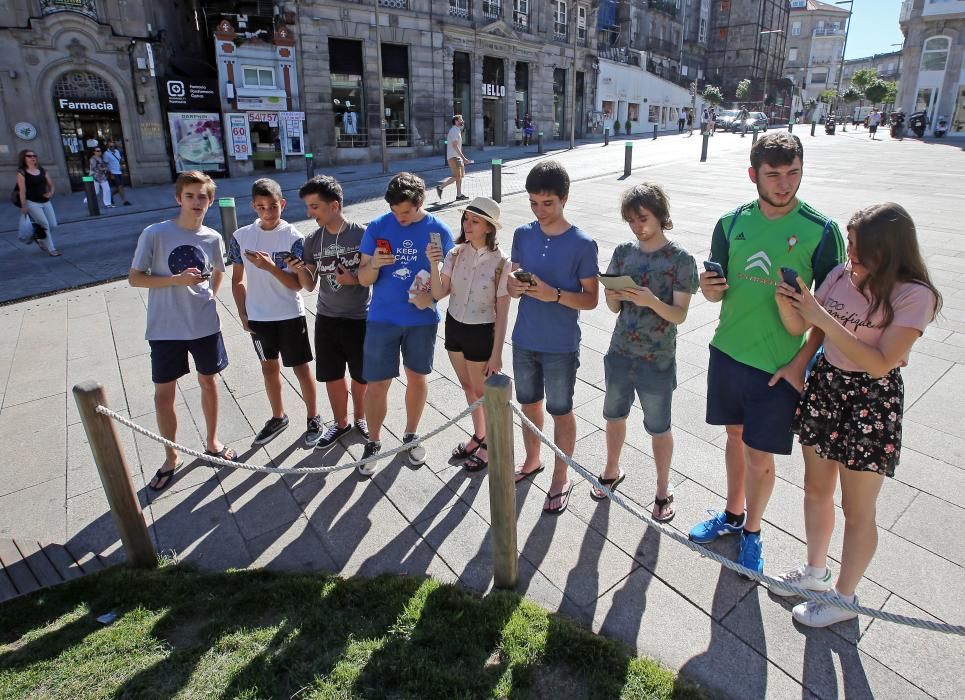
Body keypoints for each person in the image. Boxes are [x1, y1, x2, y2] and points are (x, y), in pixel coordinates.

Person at [768, 203, 940, 627]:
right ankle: (815, 573)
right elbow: (812, 329)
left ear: (890, 252)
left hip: (871, 399)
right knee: (814, 489)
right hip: (827, 383)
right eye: (850, 245)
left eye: (861, 250)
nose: (852, 257)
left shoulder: (915, 294)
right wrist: (794, 314)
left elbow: (882, 362)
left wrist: (818, 314)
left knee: (858, 509)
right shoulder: (842, 273)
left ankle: (845, 600)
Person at [689, 132, 845, 575]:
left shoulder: (822, 230)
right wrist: (707, 289)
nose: (784, 184)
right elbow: (717, 294)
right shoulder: (730, 222)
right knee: (734, 439)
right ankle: (733, 515)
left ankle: (753, 532)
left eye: (793, 173)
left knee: (761, 455)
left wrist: (800, 363)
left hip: (778, 368)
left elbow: (832, 313)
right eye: (773, 175)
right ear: (753, 174)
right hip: (728, 354)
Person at [128, 171, 236, 491]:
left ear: (211, 200)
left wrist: (211, 295)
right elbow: (136, 278)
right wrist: (175, 281)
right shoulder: (156, 234)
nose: (196, 202)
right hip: (165, 327)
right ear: (178, 198)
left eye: (202, 196)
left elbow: (219, 270)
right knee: (164, 393)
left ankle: (213, 442)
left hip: (203, 324)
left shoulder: (213, 238)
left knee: (209, 382)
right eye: (189, 196)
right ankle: (170, 456)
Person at [595, 184, 698, 521]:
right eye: (631, 220)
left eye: (643, 218)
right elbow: (612, 307)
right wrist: (614, 295)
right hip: (620, 351)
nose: (637, 226)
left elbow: (679, 315)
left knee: (659, 427)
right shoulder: (624, 252)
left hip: (657, 359)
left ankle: (663, 488)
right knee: (614, 417)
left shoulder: (681, 259)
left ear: (660, 216)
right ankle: (612, 469)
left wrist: (651, 300)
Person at [507, 161, 599, 514]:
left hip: (561, 344)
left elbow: (590, 300)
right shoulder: (522, 234)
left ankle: (562, 475)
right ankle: (532, 460)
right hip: (524, 338)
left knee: (561, 410)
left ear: (565, 199)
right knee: (529, 407)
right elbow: (513, 284)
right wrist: (514, 286)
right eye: (533, 203)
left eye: (547, 203)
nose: (540, 211)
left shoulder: (583, 244)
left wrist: (555, 295)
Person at [357, 172, 455, 475]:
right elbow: (362, 278)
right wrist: (374, 263)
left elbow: (446, 284)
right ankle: (373, 441)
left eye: (407, 212)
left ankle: (411, 435)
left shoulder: (438, 230)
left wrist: (434, 293)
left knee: (417, 377)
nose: (400, 218)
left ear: (420, 202)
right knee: (377, 384)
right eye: (395, 212)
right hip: (382, 318)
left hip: (420, 319)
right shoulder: (377, 226)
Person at [228, 178, 321, 447]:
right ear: (253, 207)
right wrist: (243, 313)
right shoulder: (241, 236)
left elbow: (298, 286)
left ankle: (314, 416)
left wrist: (271, 267)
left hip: (289, 314)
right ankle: (278, 416)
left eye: (272, 206)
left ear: (282, 204)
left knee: (301, 369)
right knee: (268, 368)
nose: (267, 212)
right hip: (258, 317)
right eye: (260, 207)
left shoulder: (294, 238)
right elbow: (237, 280)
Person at [425, 197, 511, 472]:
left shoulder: (501, 262)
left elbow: (503, 310)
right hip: (454, 325)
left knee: (481, 390)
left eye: (475, 221)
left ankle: (489, 445)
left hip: (481, 330)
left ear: (489, 227)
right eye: (466, 219)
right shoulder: (455, 253)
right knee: (466, 387)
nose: (467, 224)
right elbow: (438, 294)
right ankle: (479, 435)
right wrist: (433, 264)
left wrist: (496, 353)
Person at [295, 175, 371, 448]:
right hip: (327, 318)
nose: (309, 212)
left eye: (314, 206)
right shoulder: (312, 240)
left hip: (360, 317)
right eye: (308, 206)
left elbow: (373, 274)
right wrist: (299, 269)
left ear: (335, 205)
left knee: (361, 375)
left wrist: (353, 279)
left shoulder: (362, 234)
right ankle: (340, 423)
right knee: (333, 375)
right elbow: (309, 285)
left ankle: (361, 418)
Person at [15, 149, 60, 256]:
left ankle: (39, 237)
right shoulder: (21, 172)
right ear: (24, 158)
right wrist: (23, 206)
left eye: (34, 155)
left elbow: (51, 185)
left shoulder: (42, 170)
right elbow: (22, 191)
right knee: (44, 224)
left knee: (53, 225)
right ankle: (51, 249)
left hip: (45, 201)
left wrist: (50, 193)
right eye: (29, 156)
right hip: (32, 202)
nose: (32, 158)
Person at [436, 115, 473, 202]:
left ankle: (459, 195)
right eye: (461, 120)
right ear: (456, 121)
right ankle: (440, 187)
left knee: (459, 177)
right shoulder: (454, 131)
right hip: (454, 157)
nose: (462, 121)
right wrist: (463, 158)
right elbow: (455, 146)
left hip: (456, 157)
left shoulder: (457, 130)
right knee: (456, 176)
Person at [103, 140, 131, 205]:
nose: (112, 147)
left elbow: (119, 160)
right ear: (108, 146)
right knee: (120, 186)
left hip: (119, 171)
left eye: (113, 146)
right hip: (113, 172)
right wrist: (110, 174)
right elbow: (105, 164)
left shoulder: (117, 151)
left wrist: (122, 167)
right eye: (110, 146)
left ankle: (110, 196)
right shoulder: (106, 154)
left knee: (120, 186)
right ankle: (124, 201)